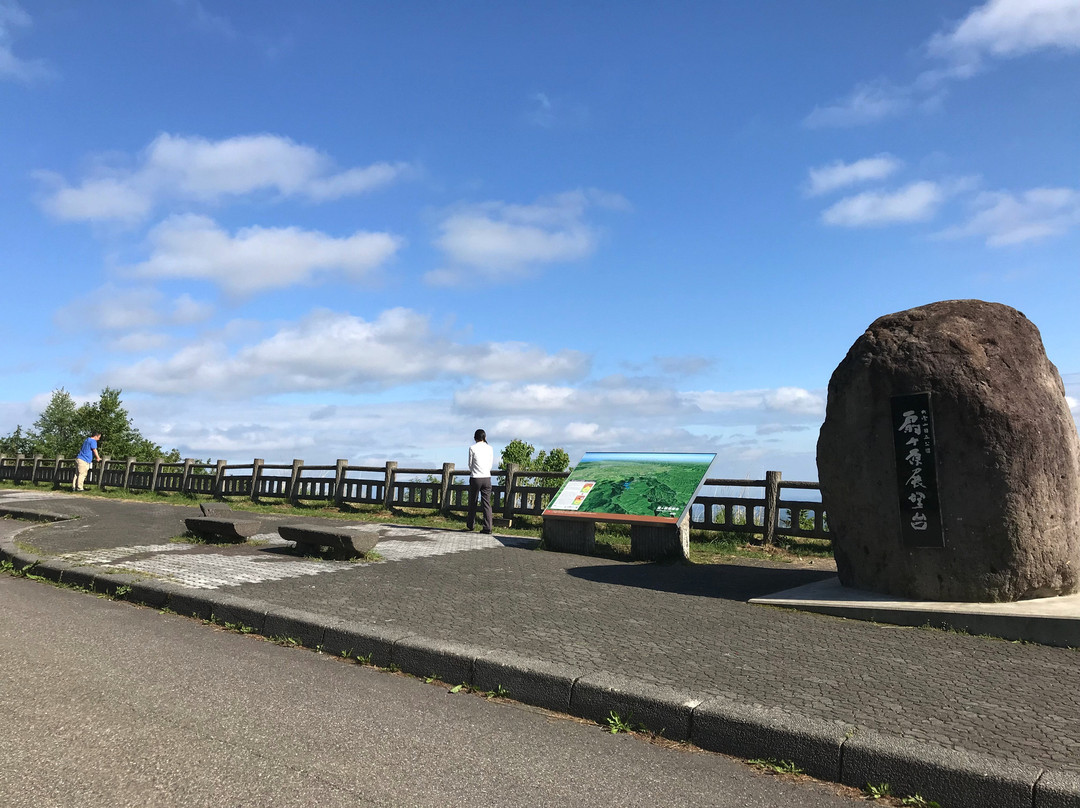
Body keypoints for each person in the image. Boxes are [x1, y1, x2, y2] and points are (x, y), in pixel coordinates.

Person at [466, 428, 494, 534]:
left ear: (475, 438)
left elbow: (470, 464)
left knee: (473, 501)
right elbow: (490, 464)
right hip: (487, 477)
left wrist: (474, 470)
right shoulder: (490, 448)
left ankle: (470, 524)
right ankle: (488, 527)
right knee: (486, 503)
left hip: (475, 477)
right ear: (484, 437)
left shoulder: (472, 448)